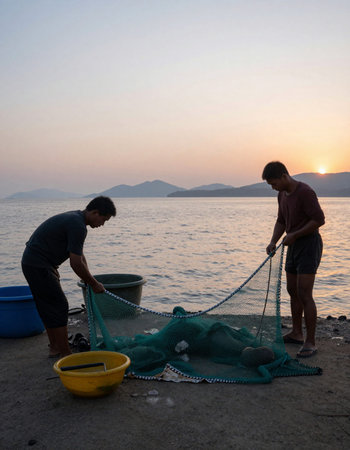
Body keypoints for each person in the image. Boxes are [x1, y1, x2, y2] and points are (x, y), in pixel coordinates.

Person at [21, 196, 117, 358]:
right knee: (59, 305)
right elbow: (75, 264)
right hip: (39, 264)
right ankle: (66, 353)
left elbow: (79, 256)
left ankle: (55, 347)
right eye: (104, 219)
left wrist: (88, 278)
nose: (102, 224)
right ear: (95, 212)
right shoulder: (78, 226)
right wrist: (93, 284)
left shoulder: (76, 218)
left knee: (47, 305)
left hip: (34, 263)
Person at [262, 162, 325, 358]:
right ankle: (297, 333)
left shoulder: (305, 192)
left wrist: (296, 235)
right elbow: (281, 220)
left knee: (305, 293)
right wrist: (273, 241)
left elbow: (319, 220)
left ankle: (310, 341)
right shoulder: (281, 195)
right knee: (292, 290)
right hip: (293, 245)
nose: (273, 188)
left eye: (274, 183)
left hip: (308, 245)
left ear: (284, 176)